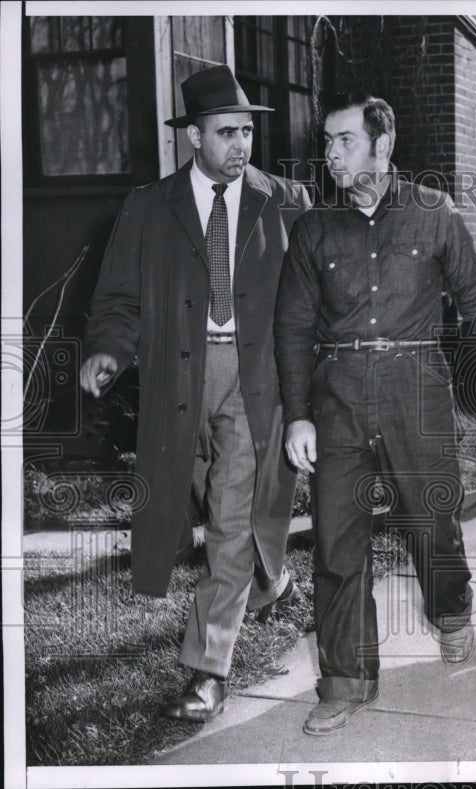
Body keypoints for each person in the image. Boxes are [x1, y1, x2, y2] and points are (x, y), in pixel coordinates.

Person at [273, 92, 476, 735]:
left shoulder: (433, 213)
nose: (329, 154)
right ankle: (345, 681)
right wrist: (299, 414)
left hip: (417, 387)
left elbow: (475, 293)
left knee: (431, 518)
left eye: (344, 140)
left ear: (382, 146)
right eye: (326, 142)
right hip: (339, 395)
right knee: (336, 539)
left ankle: (452, 609)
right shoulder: (312, 229)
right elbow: (293, 329)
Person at [80, 65, 312, 721]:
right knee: (206, 504)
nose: (242, 145)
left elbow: (314, 297)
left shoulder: (283, 199)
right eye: (227, 133)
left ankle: (206, 668)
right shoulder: (148, 207)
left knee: (232, 519)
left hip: (254, 377)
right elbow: (118, 300)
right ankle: (271, 579)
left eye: (246, 132)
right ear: (194, 139)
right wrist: (107, 350)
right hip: (175, 379)